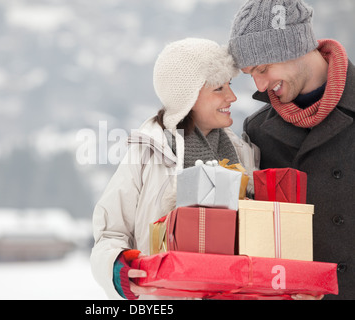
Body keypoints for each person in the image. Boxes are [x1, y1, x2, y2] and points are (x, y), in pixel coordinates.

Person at [90, 38, 260, 300]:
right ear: (188, 98)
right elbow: (111, 233)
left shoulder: (244, 154)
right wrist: (118, 268)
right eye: (218, 88)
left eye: (230, 85)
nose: (232, 97)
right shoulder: (147, 153)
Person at [228, 0, 355, 300]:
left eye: (263, 69)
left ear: (294, 47)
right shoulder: (258, 132)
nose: (260, 84)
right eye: (251, 74)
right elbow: (256, 237)